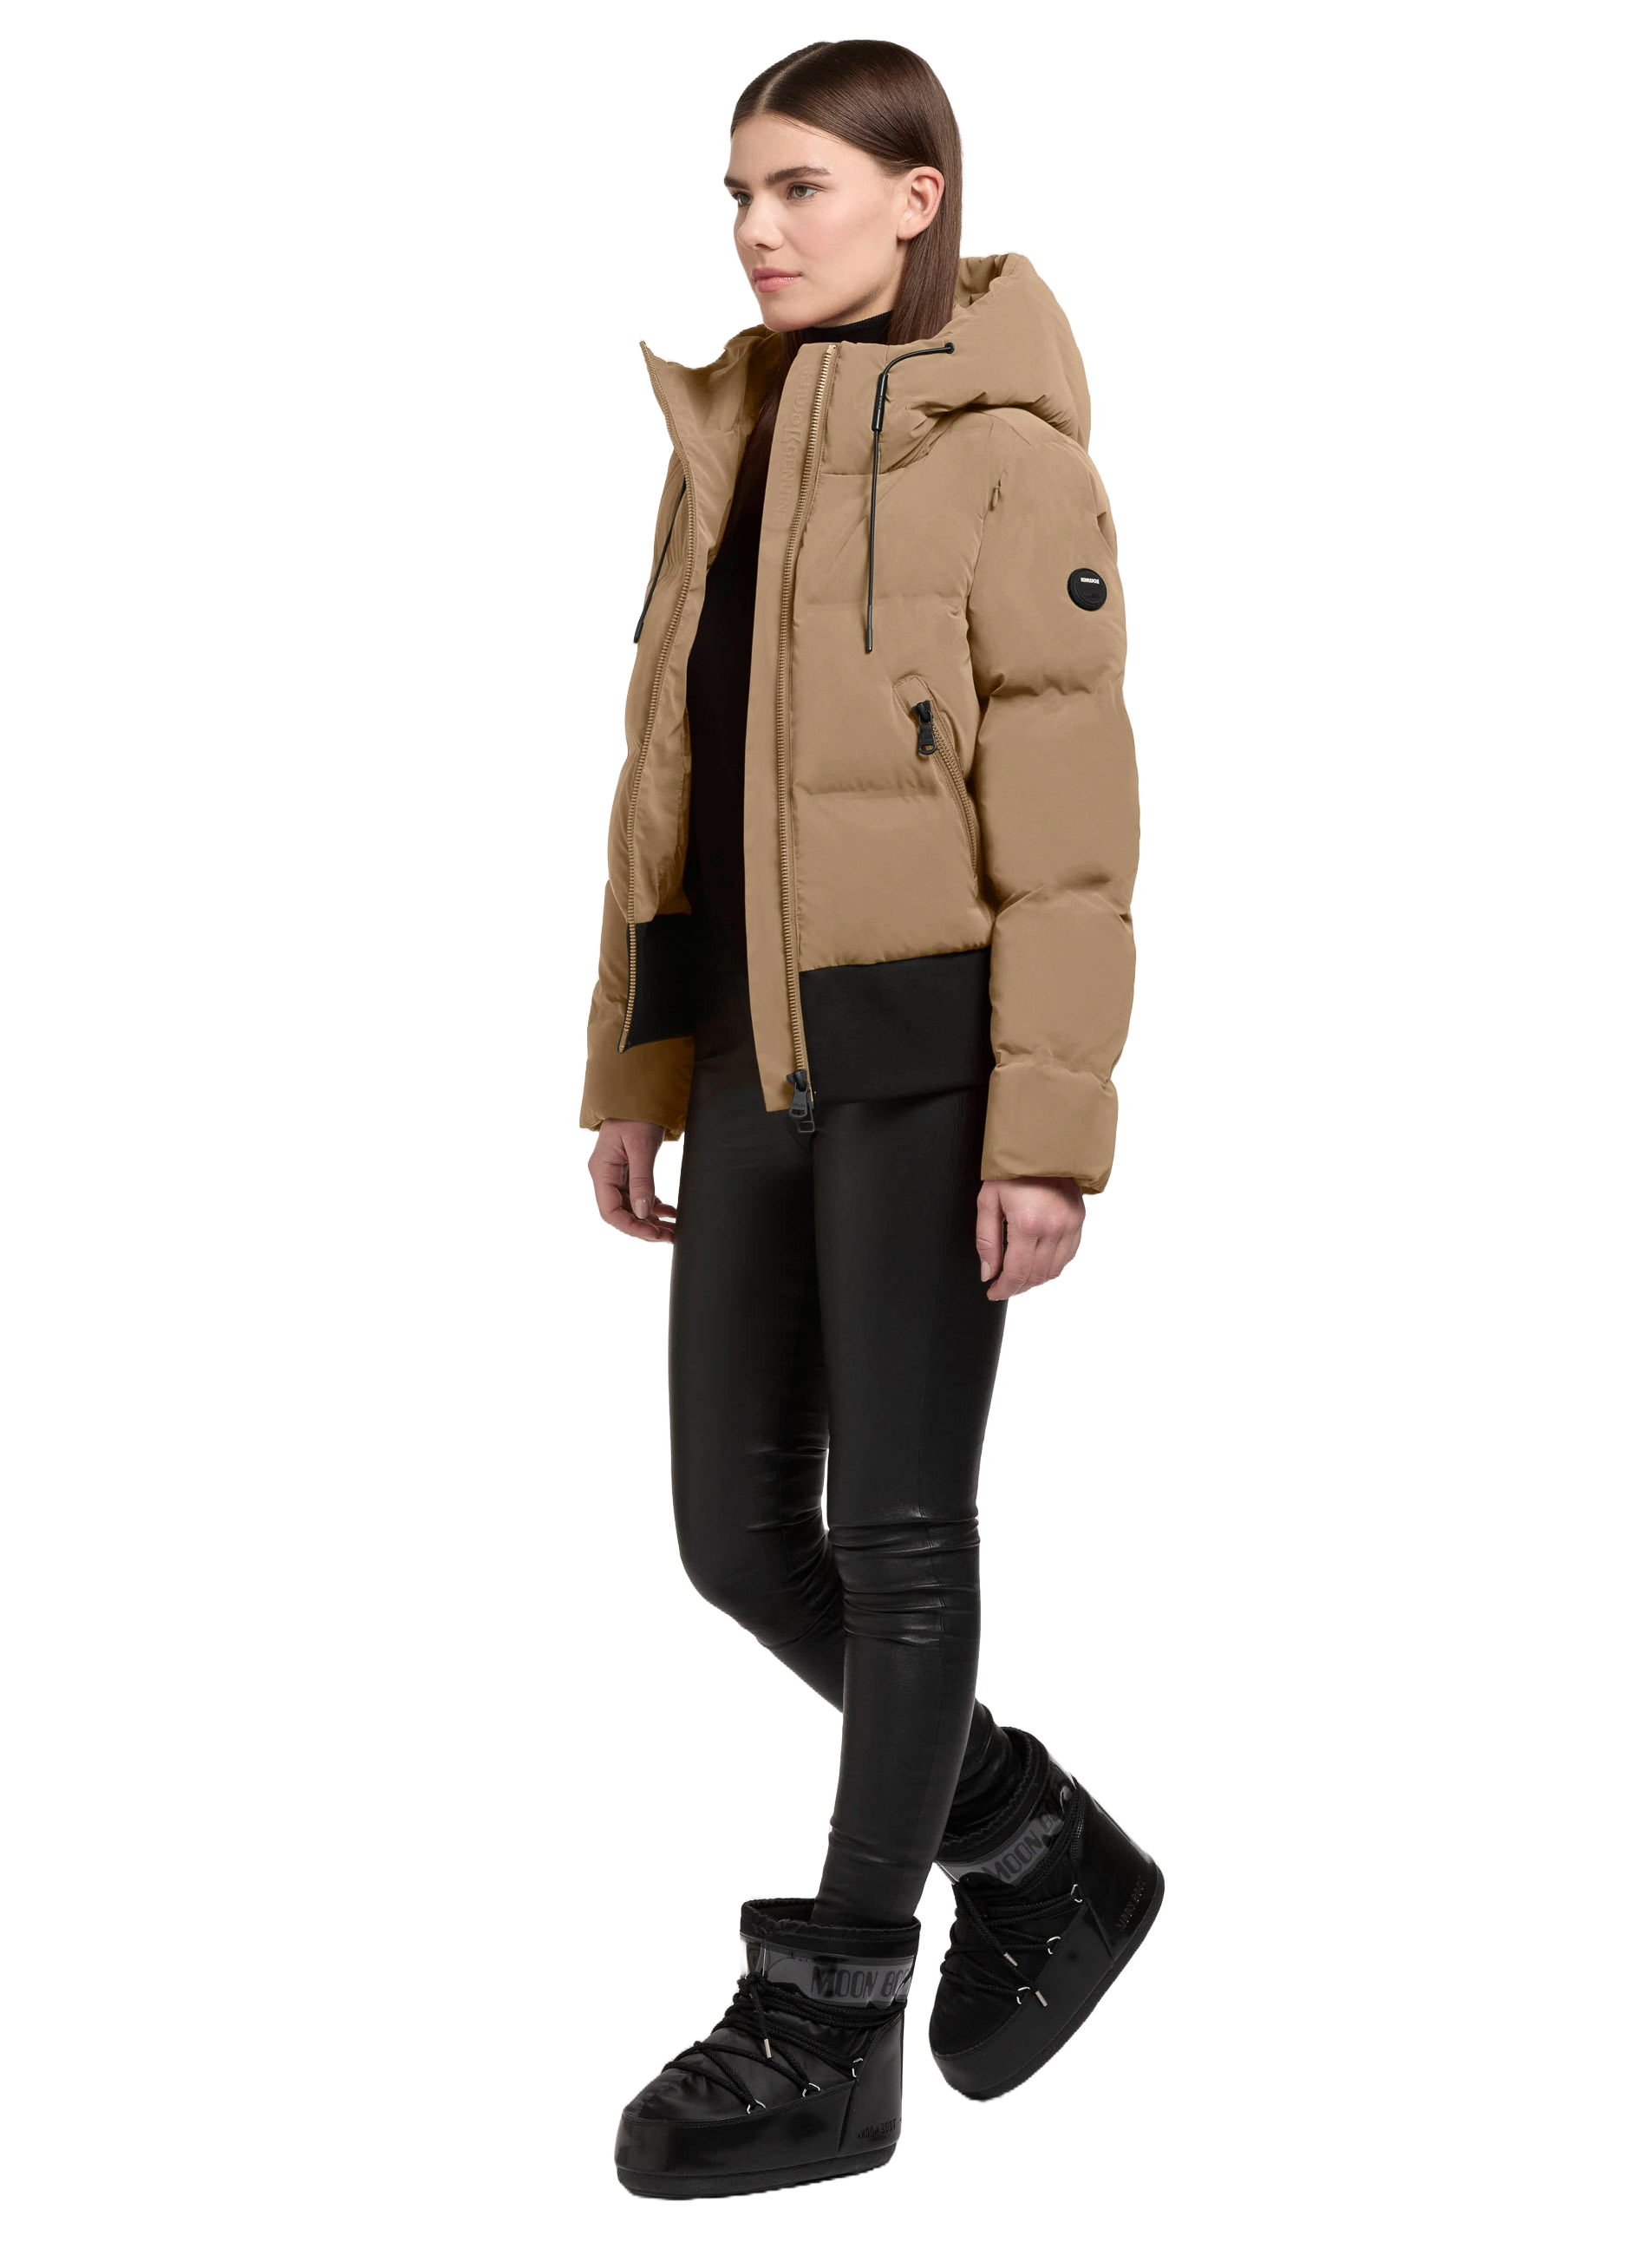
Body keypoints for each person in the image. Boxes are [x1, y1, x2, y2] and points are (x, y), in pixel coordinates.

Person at [580, 38, 1164, 2203]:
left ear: (921, 198)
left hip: (934, 1058)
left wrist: (1051, 1127)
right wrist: (634, 1072)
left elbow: (1075, 825)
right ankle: (1031, 1834)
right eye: (740, 193)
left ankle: (832, 2020)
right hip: (747, 1051)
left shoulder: (1013, 461)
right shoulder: (727, 439)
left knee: (907, 1533)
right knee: (733, 1540)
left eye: (803, 187)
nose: (758, 229)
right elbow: (661, 789)